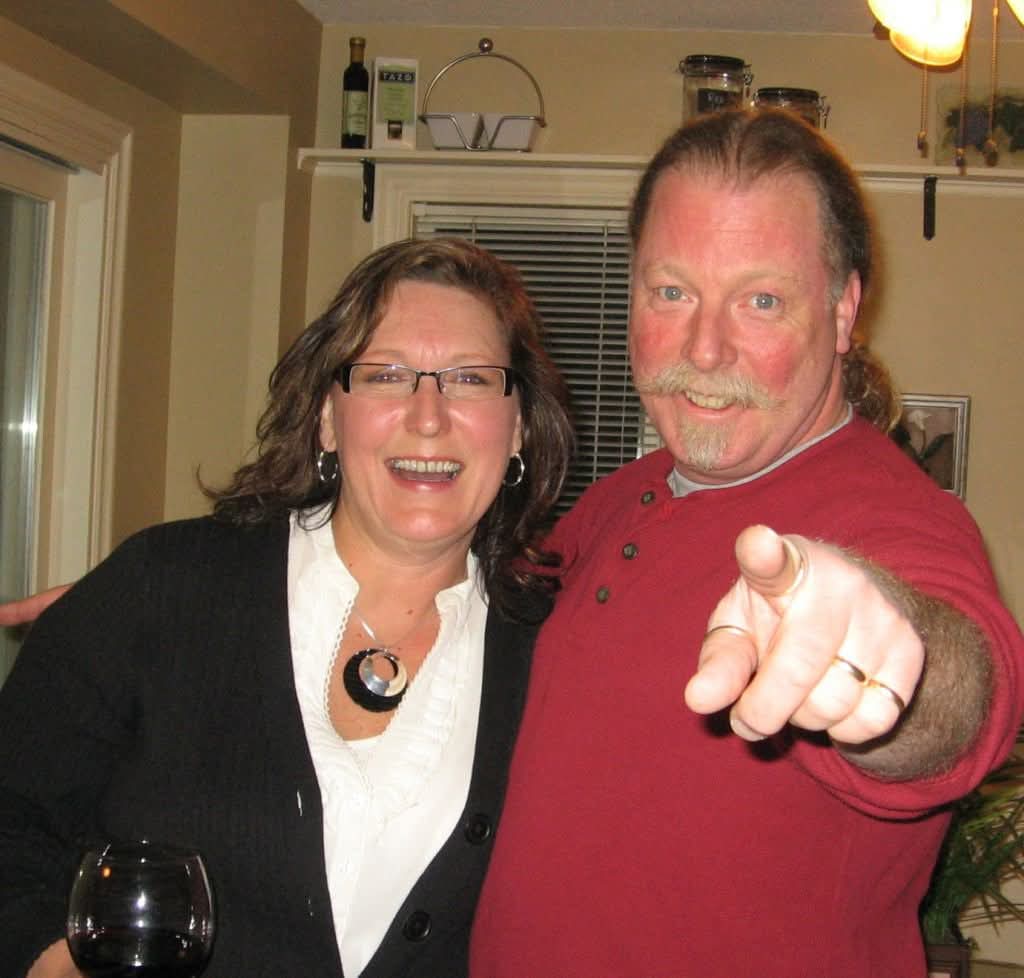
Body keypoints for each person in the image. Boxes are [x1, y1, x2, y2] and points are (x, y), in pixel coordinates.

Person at [469, 109, 1024, 977]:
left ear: (842, 311)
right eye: (671, 292)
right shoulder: (621, 496)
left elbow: (957, 701)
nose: (704, 348)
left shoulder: (894, 518)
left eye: (761, 301)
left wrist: (885, 661)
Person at [0, 237, 573, 977]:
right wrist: (50, 959)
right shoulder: (163, 586)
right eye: (385, 374)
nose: (428, 416)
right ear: (328, 418)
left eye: (470, 378)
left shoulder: (556, 650)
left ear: (519, 425)